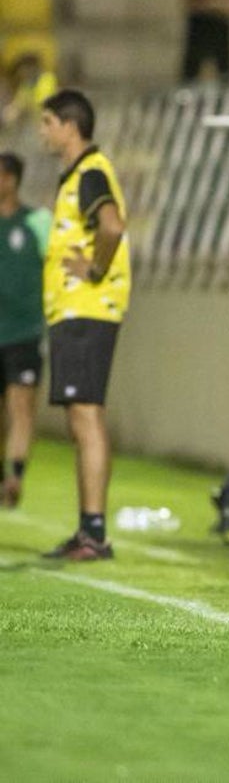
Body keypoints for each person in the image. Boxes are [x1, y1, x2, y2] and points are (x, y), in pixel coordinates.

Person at [37, 90, 130, 560]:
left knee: (86, 416)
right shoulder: (80, 174)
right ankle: (88, 529)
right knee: (82, 417)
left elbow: (111, 226)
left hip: (85, 308)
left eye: (48, 122)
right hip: (77, 311)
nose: (44, 132)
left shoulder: (91, 171)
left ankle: (94, 534)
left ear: (70, 126)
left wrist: (94, 270)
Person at [0, 153, 52, 508]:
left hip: (25, 330)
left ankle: (15, 474)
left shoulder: (38, 221)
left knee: (22, 406)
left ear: (13, 179)